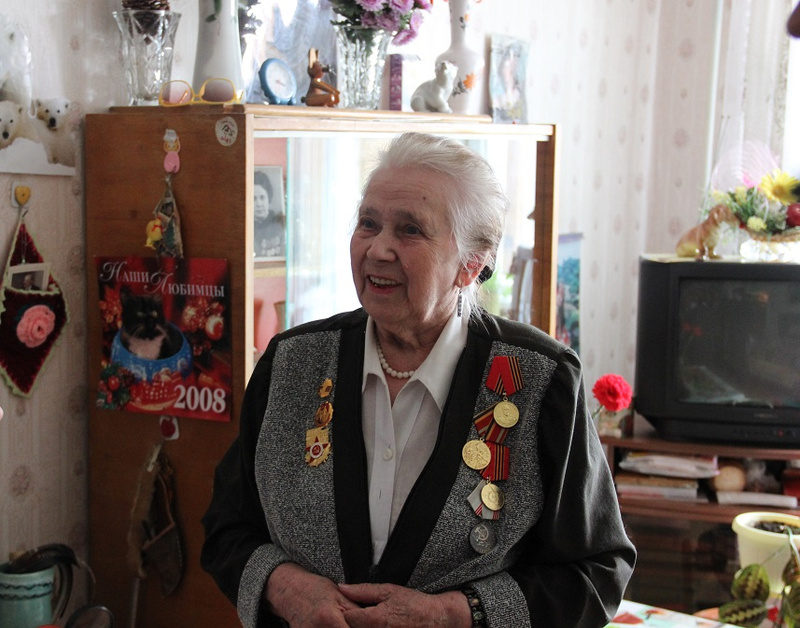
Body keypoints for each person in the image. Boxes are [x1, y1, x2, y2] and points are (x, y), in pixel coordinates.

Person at [201, 132, 636, 628]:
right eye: (368, 223)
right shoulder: (291, 363)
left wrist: (453, 615)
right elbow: (227, 528)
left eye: (410, 230)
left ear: (470, 264)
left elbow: (596, 572)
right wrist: (285, 588)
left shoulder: (540, 380)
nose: (378, 249)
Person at [254, 169, 285, 258]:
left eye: (262, 197)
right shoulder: (246, 227)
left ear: (269, 198)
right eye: (254, 199)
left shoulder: (280, 223)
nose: (259, 204)